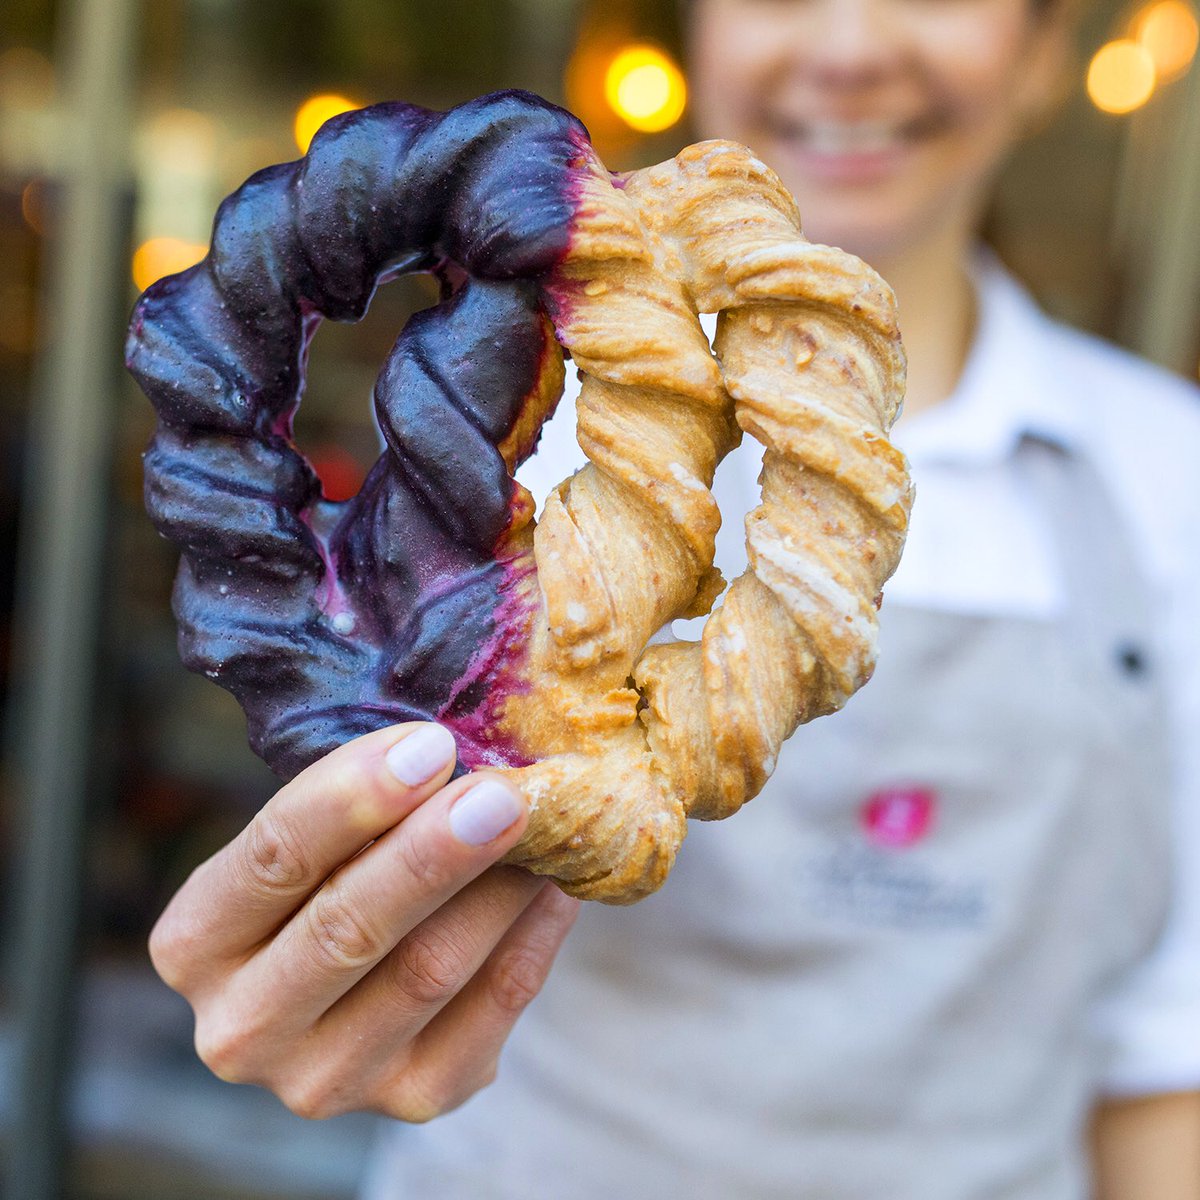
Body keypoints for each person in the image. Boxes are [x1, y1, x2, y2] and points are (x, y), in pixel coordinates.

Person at [148, 0, 1200, 1195]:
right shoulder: (488, 458)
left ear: (1044, 53)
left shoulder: (1173, 483)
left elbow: (1170, 1073)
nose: (849, 48)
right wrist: (317, 965)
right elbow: (341, 801)